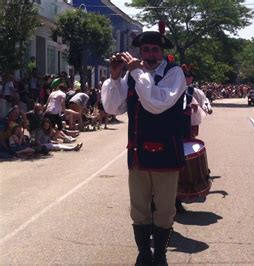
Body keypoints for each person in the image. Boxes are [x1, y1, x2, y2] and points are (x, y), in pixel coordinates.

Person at [101, 31, 186, 265]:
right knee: (139, 210)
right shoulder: (133, 76)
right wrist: (116, 77)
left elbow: (156, 103)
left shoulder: (174, 73)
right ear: (139, 52)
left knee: (165, 211)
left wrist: (137, 72)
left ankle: (159, 254)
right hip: (138, 153)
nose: (150, 55)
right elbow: (112, 108)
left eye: (154, 50)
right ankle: (144, 253)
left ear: (163, 53)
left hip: (167, 154)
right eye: (145, 50)